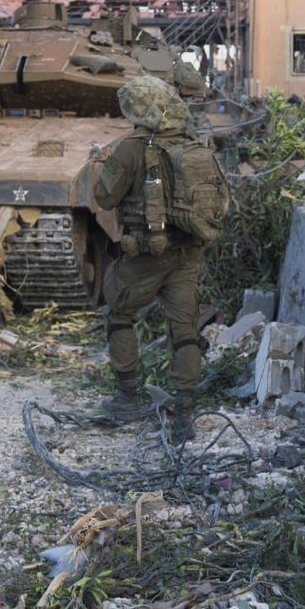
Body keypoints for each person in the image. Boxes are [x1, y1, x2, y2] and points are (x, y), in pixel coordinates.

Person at [92, 75, 224, 443]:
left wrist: (98, 166)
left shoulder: (130, 148)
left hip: (146, 254)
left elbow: (104, 197)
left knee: (119, 313)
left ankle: (128, 396)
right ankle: (184, 412)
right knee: (184, 328)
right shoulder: (191, 143)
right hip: (188, 252)